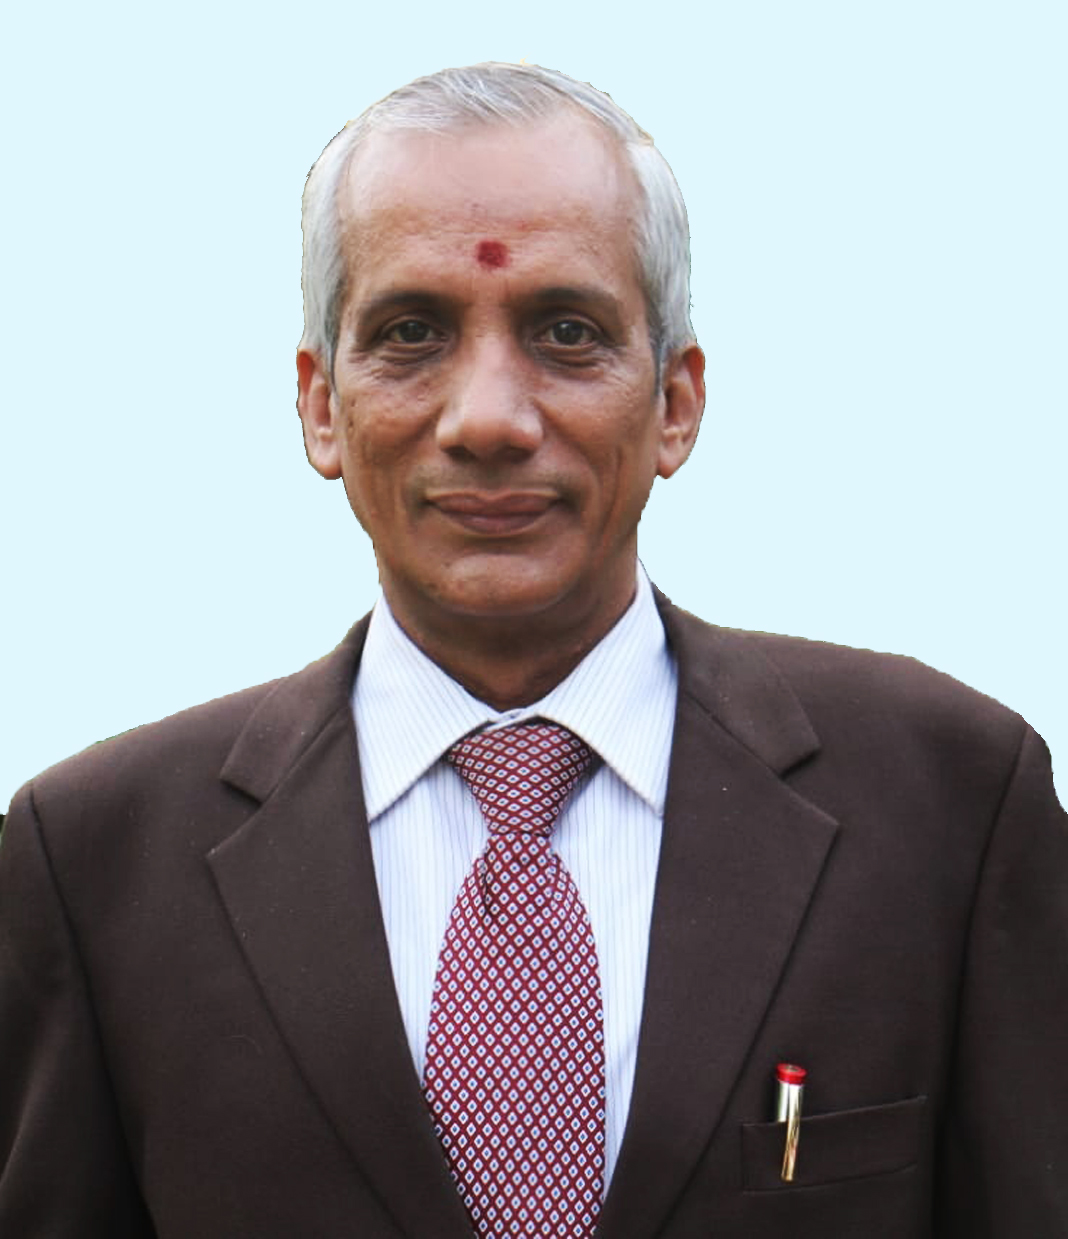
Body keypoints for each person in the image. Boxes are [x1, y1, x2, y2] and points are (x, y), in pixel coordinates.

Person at [1, 62, 1065, 1239]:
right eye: (412, 334)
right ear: (320, 405)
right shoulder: (96, 863)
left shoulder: (949, 803)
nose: (490, 420)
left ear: (675, 402)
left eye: (566, 333)